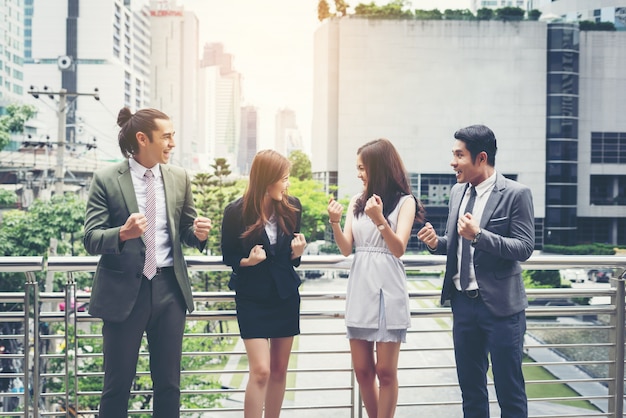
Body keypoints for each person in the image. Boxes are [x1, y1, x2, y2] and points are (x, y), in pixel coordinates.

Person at [83, 107, 212, 418]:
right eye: (166, 137)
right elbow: (91, 238)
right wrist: (123, 233)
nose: (172, 143)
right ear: (143, 138)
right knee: (117, 385)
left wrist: (198, 233)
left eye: (173, 136)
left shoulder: (179, 177)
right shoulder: (106, 179)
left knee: (169, 384)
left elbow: (185, 231)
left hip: (170, 290)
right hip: (124, 294)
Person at [417, 124, 535, 418]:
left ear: (481, 158)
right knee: (471, 391)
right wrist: (436, 243)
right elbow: (455, 242)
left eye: (459, 155)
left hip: (502, 310)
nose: (452, 161)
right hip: (463, 306)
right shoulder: (458, 192)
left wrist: (480, 235)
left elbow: (523, 248)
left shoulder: (516, 194)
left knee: (509, 391)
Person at [327, 138, 424, 418]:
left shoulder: (405, 202)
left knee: (385, 371)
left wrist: (380, 219)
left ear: (378, 167)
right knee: (363, 370)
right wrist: (334, 222)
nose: (359, 174)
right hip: (361, 284)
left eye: (363, 168)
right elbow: (347, 248)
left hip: (388, 286)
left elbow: (398, 248)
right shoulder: (357, 201)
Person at [221, 149, 307, 418]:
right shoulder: (235, 211)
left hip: (285, 296)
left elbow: (290, 260)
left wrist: (297, 254)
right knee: (261, 370)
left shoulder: (293, 207)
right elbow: (229, 256)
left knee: (280, 369)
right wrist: (248, 261)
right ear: (266, 180)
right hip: (252, 298)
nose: (287, 183)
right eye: (283, 178)